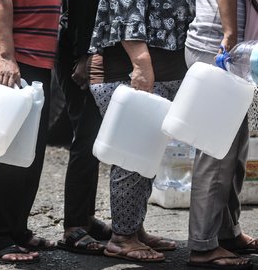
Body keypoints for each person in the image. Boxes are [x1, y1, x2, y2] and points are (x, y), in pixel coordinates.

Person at [88, 0, 194, 262]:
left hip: (159, 73)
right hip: (132, 73)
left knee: (147, 158)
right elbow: (126, 13)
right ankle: (121, 239)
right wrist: (141, 64)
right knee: (132, 158)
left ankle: (133, 228)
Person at [0, 0, 60, 264]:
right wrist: (6, 56)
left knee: (27, 154)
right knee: (3, 154)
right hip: (12, 60)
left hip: (37, 62)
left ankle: (15, 230)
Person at [185, 0, 256, 269]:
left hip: (232, 48)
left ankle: (227, 231)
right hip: (219, 47)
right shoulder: (227, 40)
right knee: (216, 152)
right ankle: (203, 245)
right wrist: (230, 35)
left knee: (235, 148)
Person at [54, 0, 108, 255]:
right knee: (86, 136)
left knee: (94, 137)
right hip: (78, 50)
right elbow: (82, 10)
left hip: (92, 48)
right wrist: (83, 56)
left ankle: (86, 217)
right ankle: (73, 225)